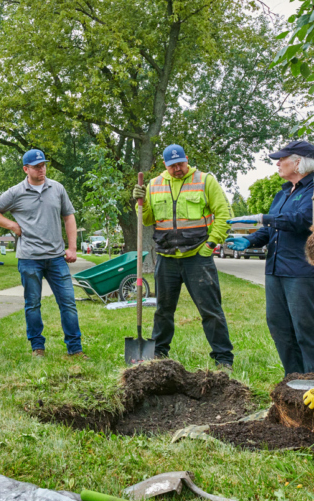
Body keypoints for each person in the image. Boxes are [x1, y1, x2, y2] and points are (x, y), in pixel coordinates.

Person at [132, 144, 235, 369]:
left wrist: (210, 244)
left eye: (181, 164)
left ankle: (223, 358)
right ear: (164, 165)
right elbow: (148, 220)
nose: (178, 169)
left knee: (210, 310)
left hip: (197, 256)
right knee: (163, 310)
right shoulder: (154, 185)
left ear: (187, 160)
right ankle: (159, 354)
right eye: (172, 166)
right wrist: (140, 202)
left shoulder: (205, 181)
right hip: (166, 257)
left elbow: (224, 214)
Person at [0, 149, 86, 358]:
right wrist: (12, 225)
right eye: (37, 166)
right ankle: (37, 348)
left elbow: (69, 217)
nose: (42, 169)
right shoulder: (15, 192)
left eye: (43, 165)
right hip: (29, 259)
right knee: (33, 304)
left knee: (68, 302)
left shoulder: (57, 189)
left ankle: (75, 349)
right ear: (26, 169)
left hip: (56, 257)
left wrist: (72, 248)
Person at [226, 141, 314, 375]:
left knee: (305, 329)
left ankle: (311, 382)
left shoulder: (312, 190)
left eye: (282, 158)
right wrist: (251, 240)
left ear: (299, 161)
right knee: (279, 327)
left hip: (301, 272)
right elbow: (272, 227)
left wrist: (260, 218)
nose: (277, 163)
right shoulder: (284, 192)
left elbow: (300, 220)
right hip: (275, 271)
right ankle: (293, 380)